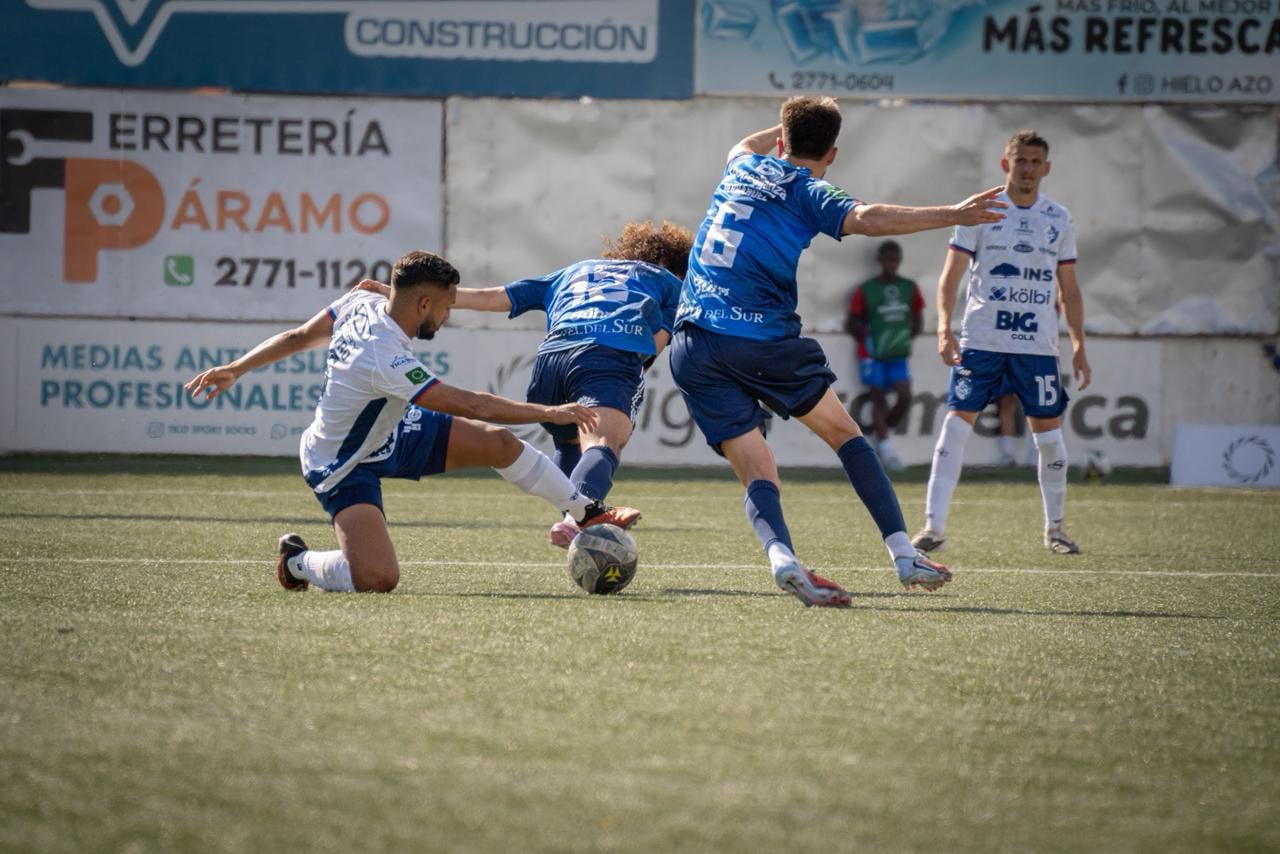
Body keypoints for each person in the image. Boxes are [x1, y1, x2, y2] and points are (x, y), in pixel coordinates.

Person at [669, 95, 1007, 607]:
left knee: (758, 471)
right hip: (758, 339)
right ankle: (903, 553)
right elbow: (869, 219)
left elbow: (746, 142)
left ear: (780, 141)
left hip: (691, 341)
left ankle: (782, 558)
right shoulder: (812, 191)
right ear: (833, 154)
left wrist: (788, 127)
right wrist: (954, 213)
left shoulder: (742, 165)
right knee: (846, 435)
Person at [184, 250, 639, 593]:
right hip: (342, 461)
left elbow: (298, 336)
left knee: (499, 444)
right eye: (446, 308)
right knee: (378, 578)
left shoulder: (360, 301)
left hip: (395, 429)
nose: (447, 315)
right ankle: (298, 563)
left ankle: (587, 511)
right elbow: (471, 404)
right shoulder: (385, 357)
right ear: (423, 304)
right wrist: (549, 413)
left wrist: (236, 368)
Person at [447, 220, 692, 547]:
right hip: (607, 356)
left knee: (570, 444)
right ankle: (575, 520)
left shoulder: (575, 270)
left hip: (550, 363)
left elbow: (490, 297)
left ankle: (572, 512)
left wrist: (402, 294)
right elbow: (653, 348)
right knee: (603, 442)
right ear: (673, 267)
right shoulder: (672, 285)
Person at [913, 129, 1091, 556]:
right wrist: (943, 327)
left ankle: (1056, 529)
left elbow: (1069, 288)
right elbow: (951, 277)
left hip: (1037, 346)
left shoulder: (1058, 218)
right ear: (1004, 163)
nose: (1027, 169)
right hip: (982, 340)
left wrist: (1079, 343)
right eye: (1020, 160)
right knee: (954, 428)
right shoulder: (980, 212)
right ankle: (933, 527)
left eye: (1035, 162)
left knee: (1048, 437)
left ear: (1046, 168)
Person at [844, 239, 924, 471]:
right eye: (888, 259)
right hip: (871, 354)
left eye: (895, 259)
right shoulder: (867, 289)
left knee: (905, 395)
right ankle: (886, 450)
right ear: (880, 261)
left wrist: (900, 338)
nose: (892, 264)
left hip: (896, 354)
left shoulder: (909, 287)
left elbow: (917, 319)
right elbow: (852, 322)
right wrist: (869, 336)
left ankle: (881, 435)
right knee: (878, 398)